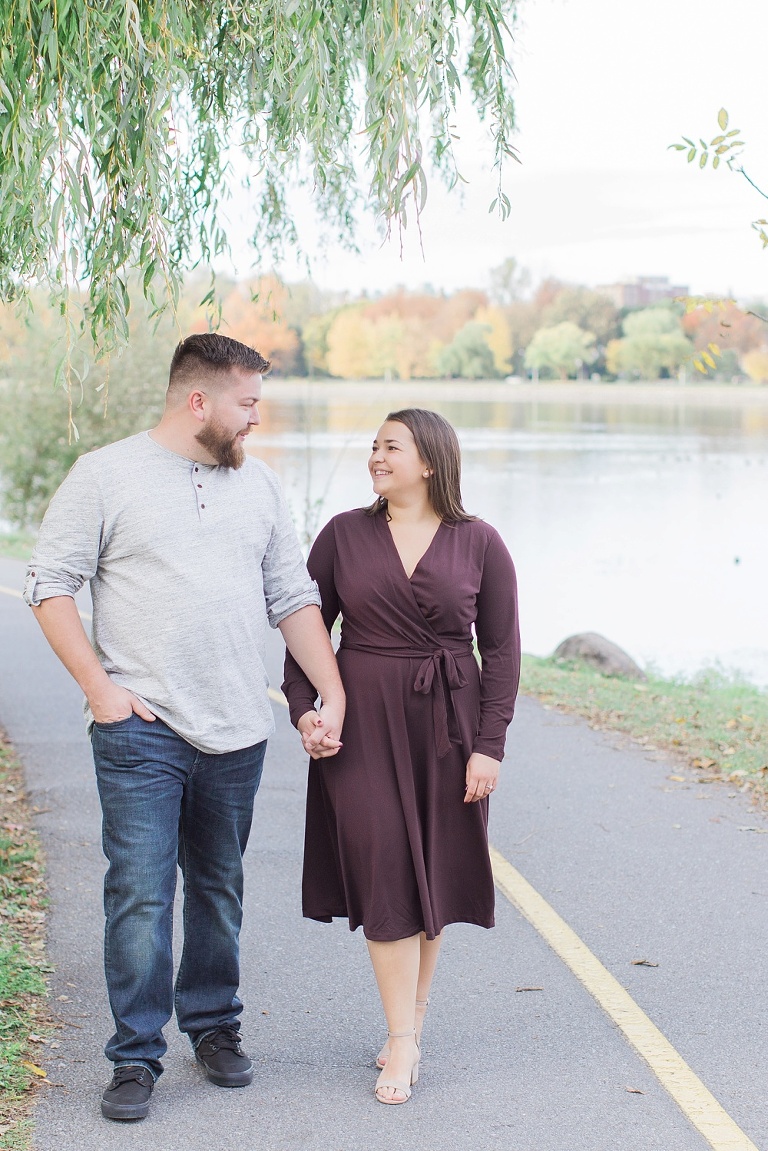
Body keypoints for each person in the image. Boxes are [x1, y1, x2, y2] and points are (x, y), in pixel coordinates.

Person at [24, 333, 345, 1121]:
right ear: (198, 402)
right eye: (247, 404)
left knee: (218, 886)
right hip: (143, 725)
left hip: (238, 728)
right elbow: (49, 583)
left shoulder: (261, 486)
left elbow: (292, 597)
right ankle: (135, 1055)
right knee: (138, 893)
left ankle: (213, 1026)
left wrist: (331, 691)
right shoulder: (106, 475)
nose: (256, 420)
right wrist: (99, 688)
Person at [282, 408, 520, 1105]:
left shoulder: (481, 542)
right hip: (362, 728)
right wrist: (306, 710)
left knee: (430, 877)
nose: (376, 456)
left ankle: (407, 1024)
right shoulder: (341, 536)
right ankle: (405, 1040)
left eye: (391, 446)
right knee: (385, 866)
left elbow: (502, 652)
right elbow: (305, 633)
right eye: (374, 446)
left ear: (430, 461)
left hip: (448, 727)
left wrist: (488, 746)